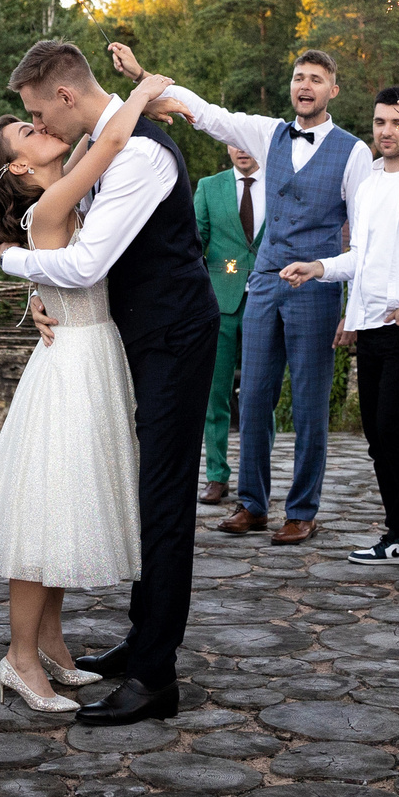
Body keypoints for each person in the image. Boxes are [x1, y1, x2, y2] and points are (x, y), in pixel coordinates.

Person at [0, 40, 218, 727]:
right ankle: (142, 638)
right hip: (129, 343)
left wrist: (16, 263)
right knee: (144, 495)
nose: (41, 127)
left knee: (165, 501)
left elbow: (89, 259)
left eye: (37, 113)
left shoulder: (142, 155)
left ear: (63, 96)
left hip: (173, 338)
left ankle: (156, 674)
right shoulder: (102, 147)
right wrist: (33, 289)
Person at [0, 71, 180, 709]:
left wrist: (32, 290)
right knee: (44, 514)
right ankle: (20, 658)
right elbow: (108, 144)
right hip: (71, 368)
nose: (40, 129)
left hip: (93, 356)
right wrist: (139, 97)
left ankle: (52, 647)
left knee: (62, 511)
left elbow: (93, 138)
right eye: (24, 133)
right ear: (16, 171)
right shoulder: (50, 206)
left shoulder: (62, 193)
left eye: (31, 119)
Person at [111, 43, 371, 546]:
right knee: (252, 397)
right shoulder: (268, 132)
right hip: (264, 284)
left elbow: (364, 243)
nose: (305, 85)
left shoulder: (354, 152)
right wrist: (145, 77)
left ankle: (302, 510)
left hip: (316, 288)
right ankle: (251, 503)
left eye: (317, 79)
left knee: (310, 404)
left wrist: (348, 303)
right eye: (299, 76)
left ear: (333, 90)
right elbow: (204, 114)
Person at [280, 86, 399, 574]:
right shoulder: (369, 184)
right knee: (378, 438)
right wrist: (319, 267)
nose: (384, 132)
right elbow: (363, 257)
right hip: (373, 325)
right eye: (378, 122)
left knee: (398, 432)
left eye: (394, 123)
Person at [190, 145, 261, 504]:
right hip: (219, 303)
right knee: (215, 394)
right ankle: (216, 476)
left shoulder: (279, 184)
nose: (241, 150)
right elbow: (192, 243)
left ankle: (255, 477)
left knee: (258, 397)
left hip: (267, 300)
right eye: (234, 142)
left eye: (247, 141)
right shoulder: (209, 186)